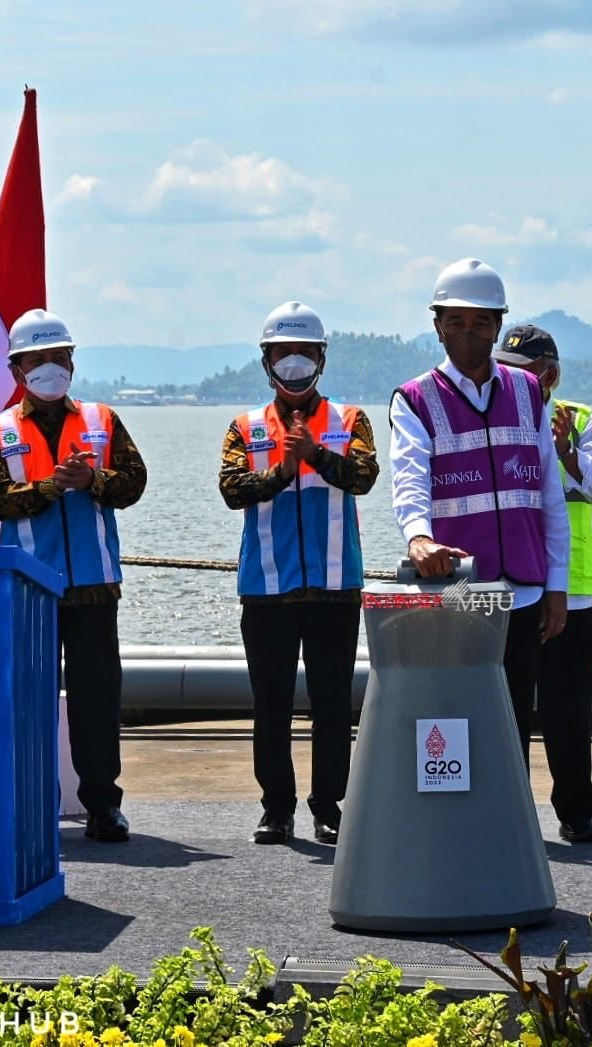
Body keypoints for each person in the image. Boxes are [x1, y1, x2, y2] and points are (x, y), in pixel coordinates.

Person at [389, 258, 570, 809]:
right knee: (455, 716)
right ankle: (457, 824)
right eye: (457, 323)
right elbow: (409, 479)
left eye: (482, 323)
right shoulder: (416, 398)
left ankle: (509, 824)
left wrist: (556, 584)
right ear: (438, 324)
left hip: (523, 589)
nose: (470, 334)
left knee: (514, 720)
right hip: (461, 591)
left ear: (498, 325)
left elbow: (549, 496)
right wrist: (418, 538)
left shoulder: (528, 393)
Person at [0, 308, 148, 843]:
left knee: (98, 699)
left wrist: (92, 478)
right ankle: (30, 803)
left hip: (95, 584)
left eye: (59, 358)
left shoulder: (101, 419)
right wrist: (51, 486)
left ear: (72, 362)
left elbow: (134, 483)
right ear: (17, 369)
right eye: (38, 359)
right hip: (29, 587)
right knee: (29, 700)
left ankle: (103, 805)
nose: (51, 367)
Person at [220, 302, 379, 846]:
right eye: (283, 354)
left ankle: (329, 806)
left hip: (335, 586)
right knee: (271, 705)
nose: (294, 363)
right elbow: (231, 489)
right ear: (267, 362)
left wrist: (315, 455)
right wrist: (281, 472)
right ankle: (276, 807)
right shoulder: (244, 428)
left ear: (321, 358)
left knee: (334, 703)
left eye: (304, 354)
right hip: (266, 587)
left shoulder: (351, 420)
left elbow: (364, 477)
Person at [492, 323, 592, 843]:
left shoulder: (580, 420)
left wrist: (566, 452)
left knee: (568, 709)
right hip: (510, 588)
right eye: (507, 370)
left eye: (526, 372)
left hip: (574, 589)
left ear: (552, 374)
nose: (515, 380)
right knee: (511, 707)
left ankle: (575, 810)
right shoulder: (493, 419)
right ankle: (512, 811)